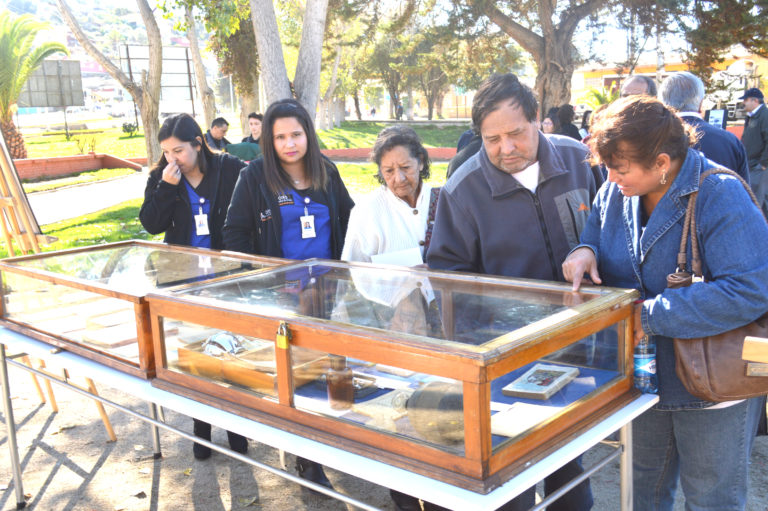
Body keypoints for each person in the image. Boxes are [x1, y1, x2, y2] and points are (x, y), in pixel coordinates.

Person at [562, 96, 767, 510]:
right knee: (643, 489)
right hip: (643, 378)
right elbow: (597, 230)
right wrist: (584, 249)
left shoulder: (720, 194)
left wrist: (648, 316)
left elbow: (749, 290)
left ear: (661, 163)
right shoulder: (616, 190)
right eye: (608, 169)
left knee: (712, 498)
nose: (613, 178)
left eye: (620, 170)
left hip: (715, 383)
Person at [427, 73, 601, 511]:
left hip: (582, 343)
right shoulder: (462, 190)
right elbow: (449, 278)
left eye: (516, 134)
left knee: (568, 464)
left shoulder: (580, 160)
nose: (507, 149)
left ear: (538, 120)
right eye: (493, 139)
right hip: (505, 355)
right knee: (510, 474)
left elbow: (608, 229)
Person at [222, 98, 354, 488]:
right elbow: (234, 235)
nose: (289, 143)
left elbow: (349, 220)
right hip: (284, 299)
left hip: (329, 294)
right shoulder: (255, 178)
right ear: (269, 140)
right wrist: (269, 284)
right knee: (295, 379)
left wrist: (344, 277)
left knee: (329, 373)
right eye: (280, 136)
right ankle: (307, 461)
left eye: (296, 134)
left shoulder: (327, 171)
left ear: (308, 135)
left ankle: (331, 444)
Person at [138, 113, 248, 460]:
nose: (174, 159)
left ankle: (236, 428)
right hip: (184, 281)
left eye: (180, 151)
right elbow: (151, 225)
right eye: (167, 152)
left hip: (229, 277)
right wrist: (167, 188)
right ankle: (201, 430)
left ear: (199, 144)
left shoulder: (228, 169)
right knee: (195, 356)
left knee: (231, 354)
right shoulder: (161, 177)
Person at [659, 71, 750, 184]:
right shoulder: (730, 141)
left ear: (662, 102)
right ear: (701, 103)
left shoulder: (649, 140)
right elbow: (745, 194)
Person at [740, 87, 768, 186]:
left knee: (757, 198)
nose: (744, 103)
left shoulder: (764, 115)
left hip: (758, 167)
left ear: (755, 100)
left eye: (746, 100)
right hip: (751, 165)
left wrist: (763, 164)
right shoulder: (751, 116)